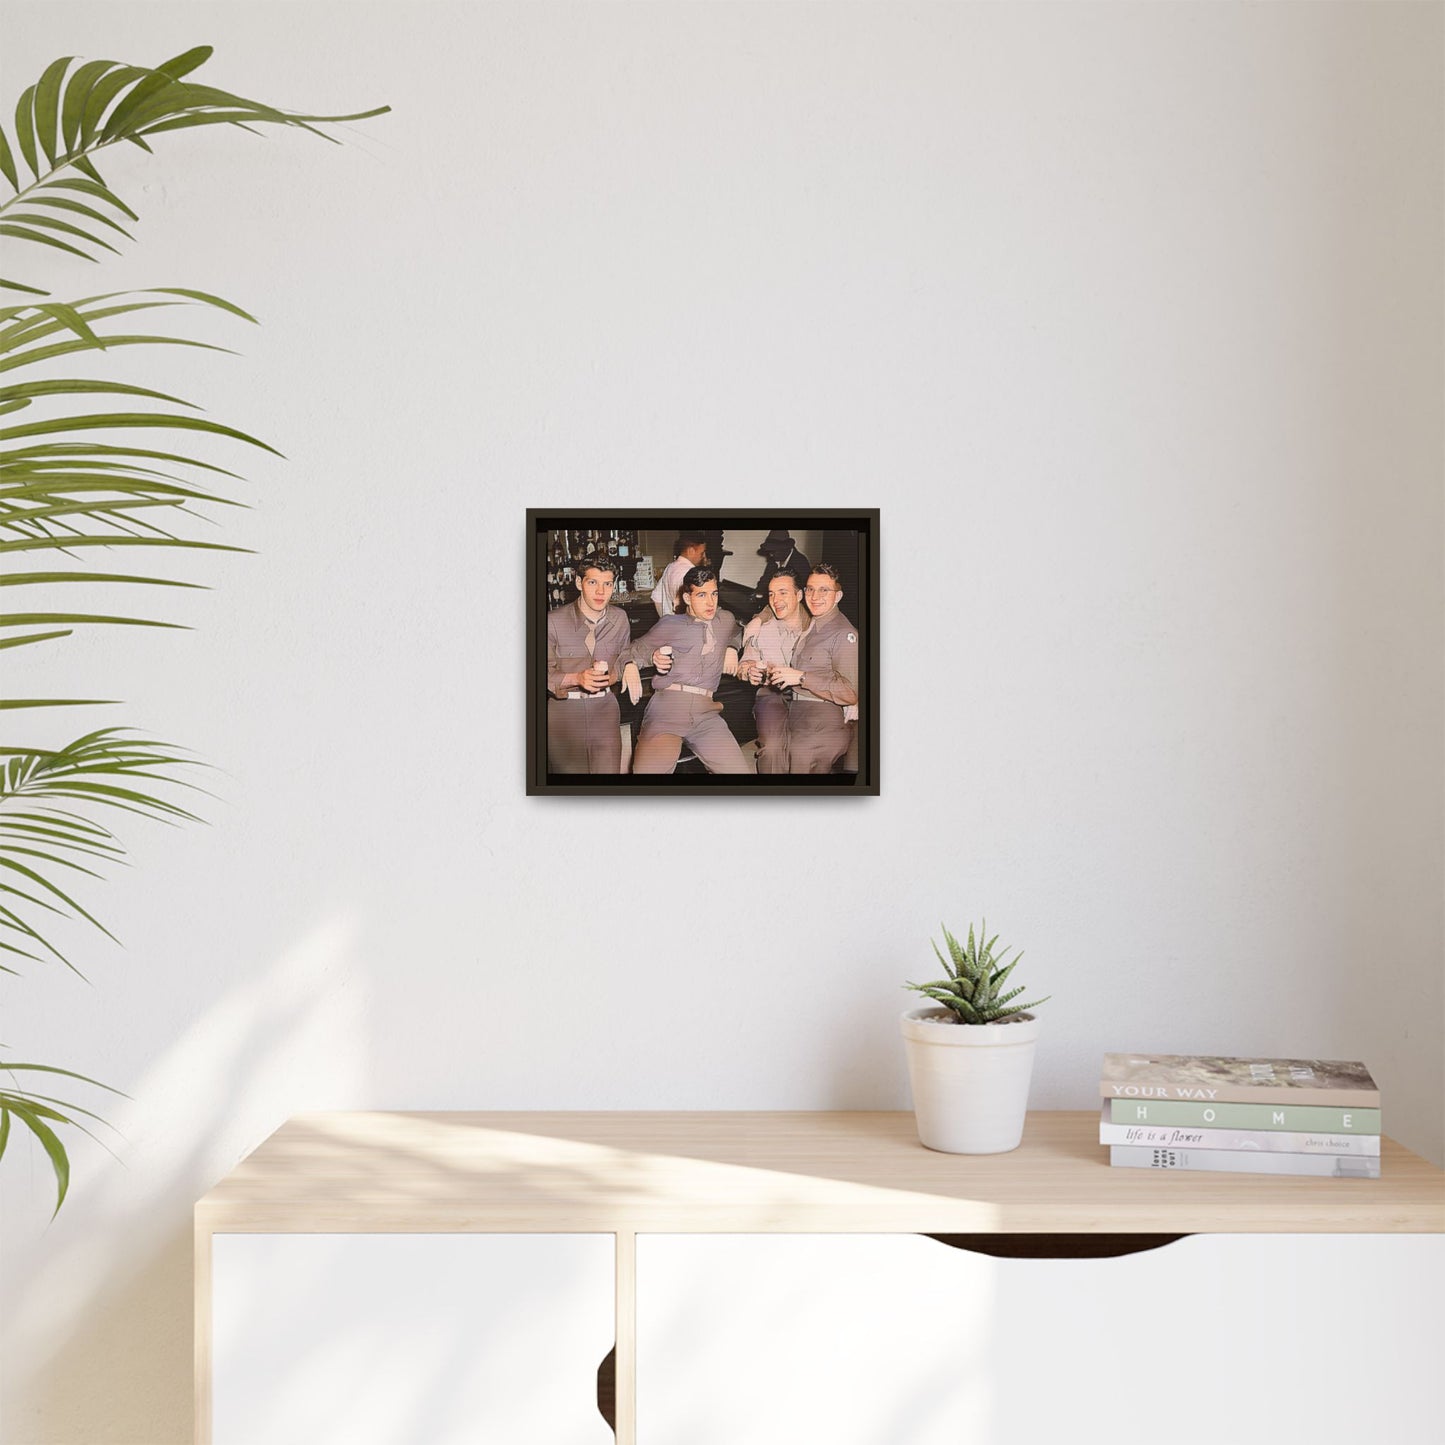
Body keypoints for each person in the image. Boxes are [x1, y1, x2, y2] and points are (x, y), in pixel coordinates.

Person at [629, 565, 749, 774]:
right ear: (687, 598)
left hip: (706, 714)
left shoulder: (725, 619)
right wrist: (637, 662)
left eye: (714, 594)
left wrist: (732, 646)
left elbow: (739, 630)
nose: (710, 602)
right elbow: (634, 650)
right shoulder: (670, 624)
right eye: (702, 595)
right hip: (667, 710)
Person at [767, 562, 858, 773]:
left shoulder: (843, 634)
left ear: (838, 596)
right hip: (798, 713)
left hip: (822, 719)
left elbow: (850, 692)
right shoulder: (814, 622)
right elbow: (775, 601)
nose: (815, 597)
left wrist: (801, 677)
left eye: (824, 590)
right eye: (810, 589)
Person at [545, 555, 631, 774]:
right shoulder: (552, 621)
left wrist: (623, 670)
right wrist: (577, 678)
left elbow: (623, 657)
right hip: (564, 713)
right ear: (578, 583)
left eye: (607, 584)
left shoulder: (620, 619)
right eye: (593, 582)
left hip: (605, 709)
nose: (601, 592)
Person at [736, 571, 811, 774]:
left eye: (782, 592)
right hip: (771, 696)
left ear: (799, 595)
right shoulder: (762, 628)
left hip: (808, 697)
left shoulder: (815, 628)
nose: (775, 600)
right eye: (771, 594)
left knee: (806, 750)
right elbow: (744, 664)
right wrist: (748, 671)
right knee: (772, 747)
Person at [749, 529, 812, 616]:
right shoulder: (775, 559)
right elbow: (765, 580)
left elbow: (804, 595)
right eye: (770, 551)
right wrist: (756, 594)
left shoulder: (800, 562)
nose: (770, 555)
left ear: (785, 549)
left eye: (773, 551)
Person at [650, 531, 710, 617]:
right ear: (691, 551)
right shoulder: (691, 574)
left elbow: (656, 597)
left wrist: (664, 620)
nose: (704, 557)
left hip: (671, 626)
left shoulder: (670, 567)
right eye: (702, 553)